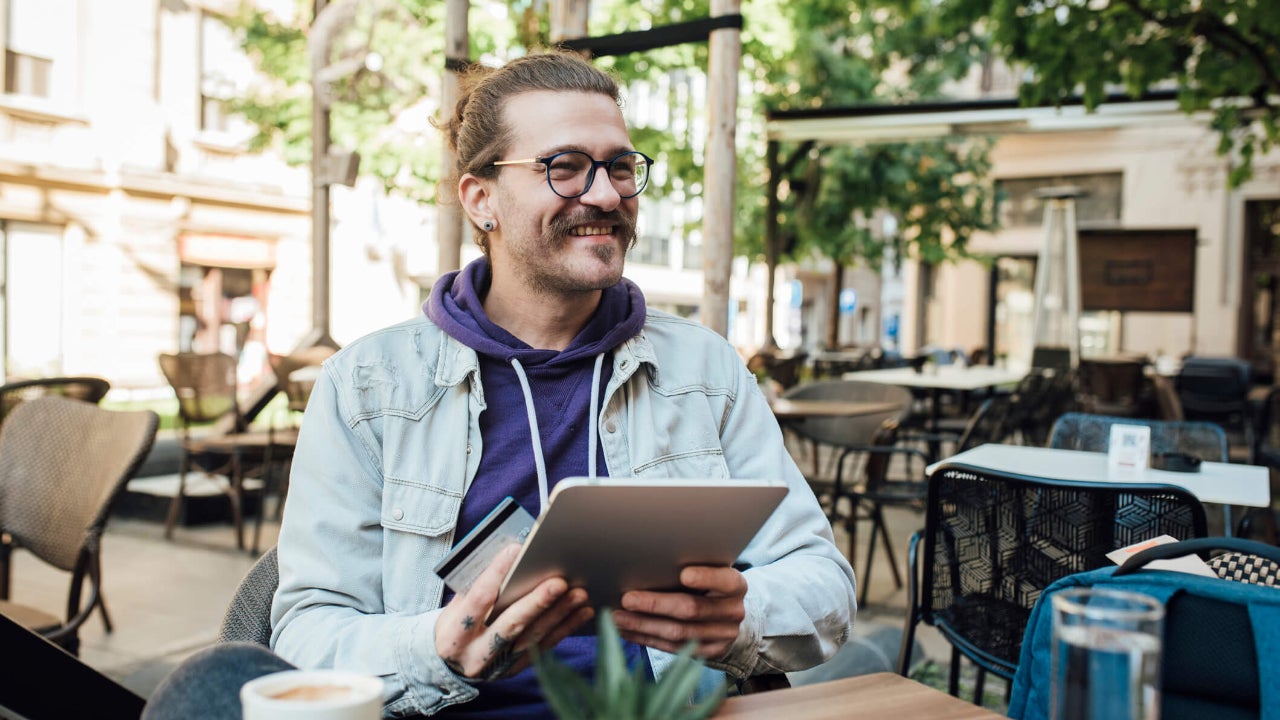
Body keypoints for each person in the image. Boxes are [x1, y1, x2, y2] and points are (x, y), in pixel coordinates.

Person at [145, 49, 855, 719]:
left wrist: (742, 614)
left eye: (620, 167)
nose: (605, 193)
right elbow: (306, 632)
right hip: (437, 708)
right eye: (566, 167)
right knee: (207, 687)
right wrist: (438, 650)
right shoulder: (367, 385)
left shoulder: (704, 368)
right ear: (480, 198)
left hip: (665, 708)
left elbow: (822, 582)